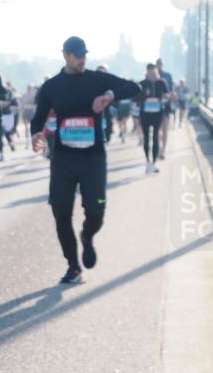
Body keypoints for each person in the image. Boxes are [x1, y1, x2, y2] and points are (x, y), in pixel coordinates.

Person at [30, 36, 140, 284]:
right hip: (63, 160)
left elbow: (135, 87)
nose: (82, 59)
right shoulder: (51, 87)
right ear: (65, 55)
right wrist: (36, 134)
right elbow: (38, 118)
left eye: (84, 55)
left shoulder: (96, 79)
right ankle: (73, 266)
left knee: (96, 211)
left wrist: (109, 95)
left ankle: (87, 236)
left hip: (93, 160)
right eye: (77, 55)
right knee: (60, 212)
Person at [137, 63, 169, 173]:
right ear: (146, 72)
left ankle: (154, 162)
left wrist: (162, 99)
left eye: (154, 72)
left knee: (155, 136)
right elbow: (137, 98)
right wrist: (145, 99)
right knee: (146, 137)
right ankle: (148, 162)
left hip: (158, 114)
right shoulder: (142, 84)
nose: (152, 75)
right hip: (145, 114)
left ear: (156, 72)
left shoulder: (162, 82)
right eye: (150, 73)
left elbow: (167, 95)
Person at [155, 58, 174, 156]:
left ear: (162, 65)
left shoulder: (168, 76)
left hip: (166, 105)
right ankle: (158, 147)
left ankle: (163, 149)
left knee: (165, 129)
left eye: (160, 64)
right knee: (157, 130)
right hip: (155, 106)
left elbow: (171, 91)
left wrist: (169, 96)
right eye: (158, 64)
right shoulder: (153, 76)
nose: (159, 65)